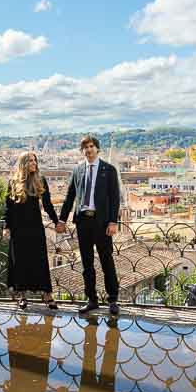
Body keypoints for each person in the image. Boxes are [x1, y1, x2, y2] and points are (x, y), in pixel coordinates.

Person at [57, 135, 122, 316]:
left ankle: (113, 299)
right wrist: (62, 220)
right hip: (83, 221)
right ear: (82, 151)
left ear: (97, 149)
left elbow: (115, 198)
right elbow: (70, 196)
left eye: (91, 146)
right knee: (87, 263)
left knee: (106, 261)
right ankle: (91, 299)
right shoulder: (77, 170)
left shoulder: (108, 170)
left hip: (102, 223)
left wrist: (113, 221)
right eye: (85, 147)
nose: (89, 150)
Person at [3, 151, 60, 310]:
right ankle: (22, 296)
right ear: (23, 164)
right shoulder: (13, 182)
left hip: (35, 227)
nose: (34, 163)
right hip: (18, 228)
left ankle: (47, 294)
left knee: (40, 261)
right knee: (20, 262)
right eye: (30, 161)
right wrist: (6, 227)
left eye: (35, 161)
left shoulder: (40, 180)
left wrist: (57, 222)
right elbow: (9, 208)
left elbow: (48, 205)